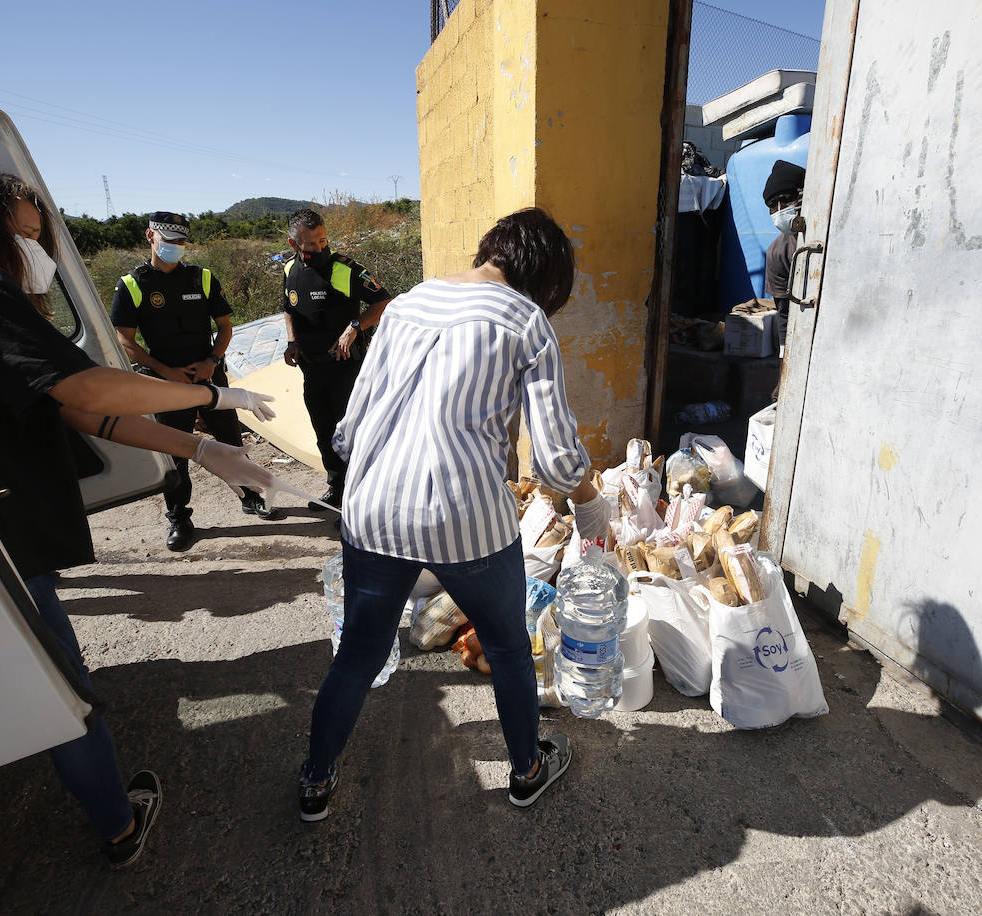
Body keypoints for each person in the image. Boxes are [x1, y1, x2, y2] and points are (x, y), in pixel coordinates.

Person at [0, 158, 280, 914]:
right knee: (62, 695)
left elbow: (76, 412)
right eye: (30, 225)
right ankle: (119, 824)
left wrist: (200, 447)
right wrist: (214, 395)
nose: (40, 242)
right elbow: (86, 386)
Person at [297, 208, 612, 823]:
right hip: (465, 516)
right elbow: (552, 461)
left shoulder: (407, 303)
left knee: (358, 655)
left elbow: (350, 429)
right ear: (544, 278)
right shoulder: (526, 323)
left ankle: (315, 780)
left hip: (371, 509)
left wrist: (382, 482)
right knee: (508, 647)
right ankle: (526, 770)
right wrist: (590, 500)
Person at [111, 211, 278, 552]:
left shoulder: (201, 278)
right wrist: (164, 370)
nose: (175, 247)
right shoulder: (132, 283)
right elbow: (124, 340)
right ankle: (179, 518)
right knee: (175, 451)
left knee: (231, 439)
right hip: (166, 385)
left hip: (209, 378)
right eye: (168, 241)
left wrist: (212, 361)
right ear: (150, 237)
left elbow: (226, 326)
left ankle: (251, 497)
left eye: (181, 242)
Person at [279, 208, 392, 511]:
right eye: (310, 244)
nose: (318, 248)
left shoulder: (345, 269)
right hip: (311, 369)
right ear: (294, 244)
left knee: (353, 434)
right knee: (323, 432)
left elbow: (384, 301)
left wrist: (355, 327)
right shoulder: (290, 269)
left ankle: (361, 499)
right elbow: (289, 308)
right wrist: (292, 341)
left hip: (346, 369)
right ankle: (337, 488)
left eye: (322, 240)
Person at [762, 159, 806, 351]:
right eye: (772, 205)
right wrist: (784, 353)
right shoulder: (778, 252)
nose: (780, 210)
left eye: (786, 199)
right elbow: (784, 313)